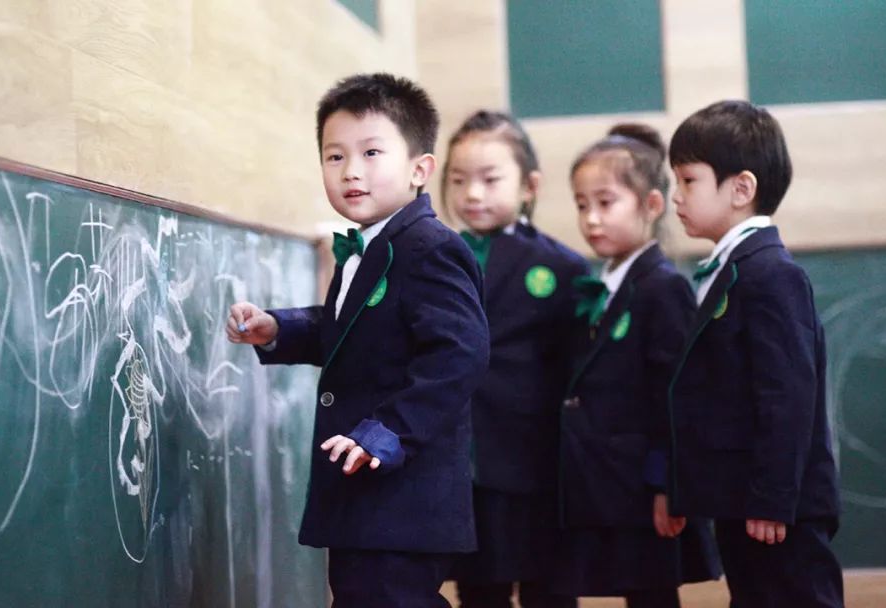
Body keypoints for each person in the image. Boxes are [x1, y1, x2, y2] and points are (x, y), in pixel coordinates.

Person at [226, 73, 490, 608]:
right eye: (334, 156)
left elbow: (459, 354)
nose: (351, 171)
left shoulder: (429, 247)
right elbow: (352, 331)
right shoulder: (369, 248)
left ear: (420, 169)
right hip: (363, 494)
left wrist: (388, 431)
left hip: (401, 492)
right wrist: (280, 328)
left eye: (372, 152)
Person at [667, 100, 843, 607]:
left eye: (688, 181)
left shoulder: (771, 274)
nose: (677, 196)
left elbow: (787, 396)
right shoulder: (731, 268)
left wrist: (772, 499)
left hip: (775, 508)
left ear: (740, 189)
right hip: (742, 500)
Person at [549, 124, 721, 607]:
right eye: (582, 205)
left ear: (650, 205)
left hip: (643, 488)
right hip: (602, 482)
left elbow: (677, 394)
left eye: (606, 203)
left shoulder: (661, 287)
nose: (591, 219)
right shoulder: (602, 283)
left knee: (652, 597)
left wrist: (668, 484)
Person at [441, 110, 587, 608]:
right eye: (458, 181)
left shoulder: (561, 267)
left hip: (539, 465)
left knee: (549, 589)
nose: (472, 194)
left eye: (489, 179)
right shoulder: (437, 257)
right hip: (466, 464)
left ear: (529, 186)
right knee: (479, 590)